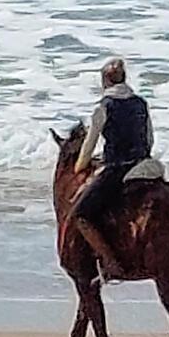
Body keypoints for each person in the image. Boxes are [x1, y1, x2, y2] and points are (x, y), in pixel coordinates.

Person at [67, 58, 155, 279]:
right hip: (145, 164)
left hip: (119, 169)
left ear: (105, 80)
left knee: (82, 215)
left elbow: (89, 145)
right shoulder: (141, 103)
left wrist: (80, 165)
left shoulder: (104, 107)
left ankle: (110, 262)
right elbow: (149, 139)